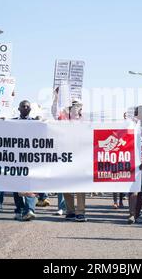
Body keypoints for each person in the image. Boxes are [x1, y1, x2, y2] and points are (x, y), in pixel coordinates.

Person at [52, 90, 87, 222]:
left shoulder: (85, 121)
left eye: (78, 106)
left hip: (81, 157)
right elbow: (55, 112)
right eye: (73, 106)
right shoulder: (64, 119)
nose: (76, 108)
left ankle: (80, 211)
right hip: (65, 157)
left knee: (80, 185)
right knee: (66, 184)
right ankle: (70, 210)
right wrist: (56, 97)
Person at [12, 100, 37, 221]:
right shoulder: (12, 122)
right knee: (16, 186)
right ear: (19, 108)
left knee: (29, 185)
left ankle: (30, 209)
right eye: (23, 106)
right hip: (16, 159)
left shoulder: (35, 122)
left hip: (30, 159)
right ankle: (19, 209)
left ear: (30, 109)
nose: (26, 108)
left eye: (28, 106)